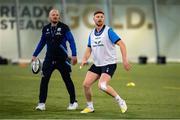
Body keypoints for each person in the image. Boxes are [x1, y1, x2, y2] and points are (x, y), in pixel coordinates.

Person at [80, 10, 131, 114]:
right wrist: (84, 59)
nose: (99, 18)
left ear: (104, 19)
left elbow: (122, 44)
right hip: (97, 64)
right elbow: (89, 48)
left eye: (102, 17)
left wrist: (125, 59)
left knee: (102, 85)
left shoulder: (109, 31)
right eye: (97, 17)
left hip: (109, 63)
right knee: (86, 85)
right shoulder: (91, 34)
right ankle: (90, 107)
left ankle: (120, 101)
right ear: (94, 19)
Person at [32, 8, 78, 111]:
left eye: (57, 15)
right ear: (49, 17)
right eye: (53, 15)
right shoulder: (45, 29)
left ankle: (73, 102)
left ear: (59, 17)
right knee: (44, 80)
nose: (55, 16)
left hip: (63, 59)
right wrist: (35, 54)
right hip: (49, 59)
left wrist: (74, 54)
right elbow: (42, 42)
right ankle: (41, 104)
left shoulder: (64, 27)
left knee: (67, 80)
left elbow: (71, 41)